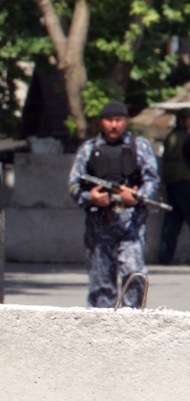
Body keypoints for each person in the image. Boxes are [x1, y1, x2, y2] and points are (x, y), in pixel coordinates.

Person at [68, 100, 159, 308]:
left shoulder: (139, 146)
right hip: (99, 224)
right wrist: (91, 197)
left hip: (131, 224)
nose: (114, 125)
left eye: (118, 120)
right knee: (101, 283)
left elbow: (152, 180)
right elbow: (73, 185)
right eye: (109, 120)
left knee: (133, 274)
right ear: (102, 122)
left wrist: (136, 196)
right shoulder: (89, 149)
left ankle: (131, 324)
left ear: (126, 121)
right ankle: (101, 332)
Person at [158, 108, 190, 264]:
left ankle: (165, 256)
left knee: (172, 221)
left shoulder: (172, 136)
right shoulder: (185, 137)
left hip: (171, 181)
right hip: (184, 181)